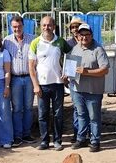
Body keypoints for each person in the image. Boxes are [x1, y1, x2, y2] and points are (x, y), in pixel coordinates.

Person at [29, 15, 71, 151]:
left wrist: (68, 75)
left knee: (58, 114)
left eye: (49, 25)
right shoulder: (35, 43)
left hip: (58, 84)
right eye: (44, 25)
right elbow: (31, 67)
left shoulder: (60, 42)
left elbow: (71, 57)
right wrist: (35, 85)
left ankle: (58, 141)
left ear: (54, 26)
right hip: (42, 85)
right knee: (43, 114)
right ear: (40, 27)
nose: (47, 28)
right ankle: (44, 141)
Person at [68, 24, 109, 152]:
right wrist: (67, 74)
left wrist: (86, 72)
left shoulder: (98, 49)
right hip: (77, 89)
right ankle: (81, 138)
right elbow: (71, 66)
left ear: (91, 35)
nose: (84, 37)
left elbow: (105, 70)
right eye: (81, 35)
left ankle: (95, 141)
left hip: (93, 90)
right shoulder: (75, 48)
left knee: (94, 117)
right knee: (81, 115)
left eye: (87, 34)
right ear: (78, 36)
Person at [3, 15, 36, 145]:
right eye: (14, 27)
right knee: (16, 108)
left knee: (28, 107)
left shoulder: (32, 39)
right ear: (11, 27)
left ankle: (27, 134)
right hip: (15, 79)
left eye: (19, 26)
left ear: (23, 26)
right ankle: (17, 135)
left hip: (29, 78)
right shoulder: (7, 41)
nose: (17, 29)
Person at [65, 16, 83, 143]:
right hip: (73, 79)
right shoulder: (68, 44)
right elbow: (64, 60)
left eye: (77, 26)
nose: (75, 29)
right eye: (73, 27)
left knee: (86, 108)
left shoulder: (87, 41)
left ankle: (86, 133)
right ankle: (77, 134)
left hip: (87, 78)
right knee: (77, 108)